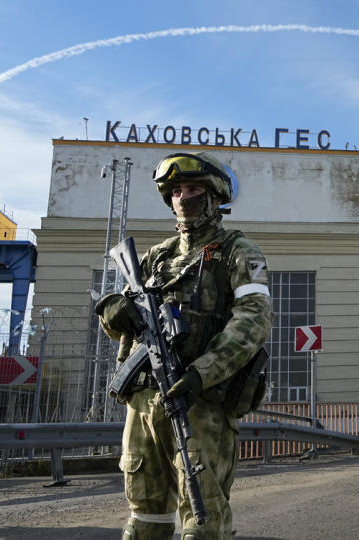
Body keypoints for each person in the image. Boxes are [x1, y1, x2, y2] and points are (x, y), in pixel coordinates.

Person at [95, 151, 273, 540]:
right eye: (176, 190)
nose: (183, 197)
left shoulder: (238, 252)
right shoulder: (156, 257)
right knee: (144, 517)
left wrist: (200, 374)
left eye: (192, 188)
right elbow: (118, 320)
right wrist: (116, 313)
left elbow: (253, 321)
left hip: (200, 402)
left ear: (213, 197)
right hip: (144, 402)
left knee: (202, 518)